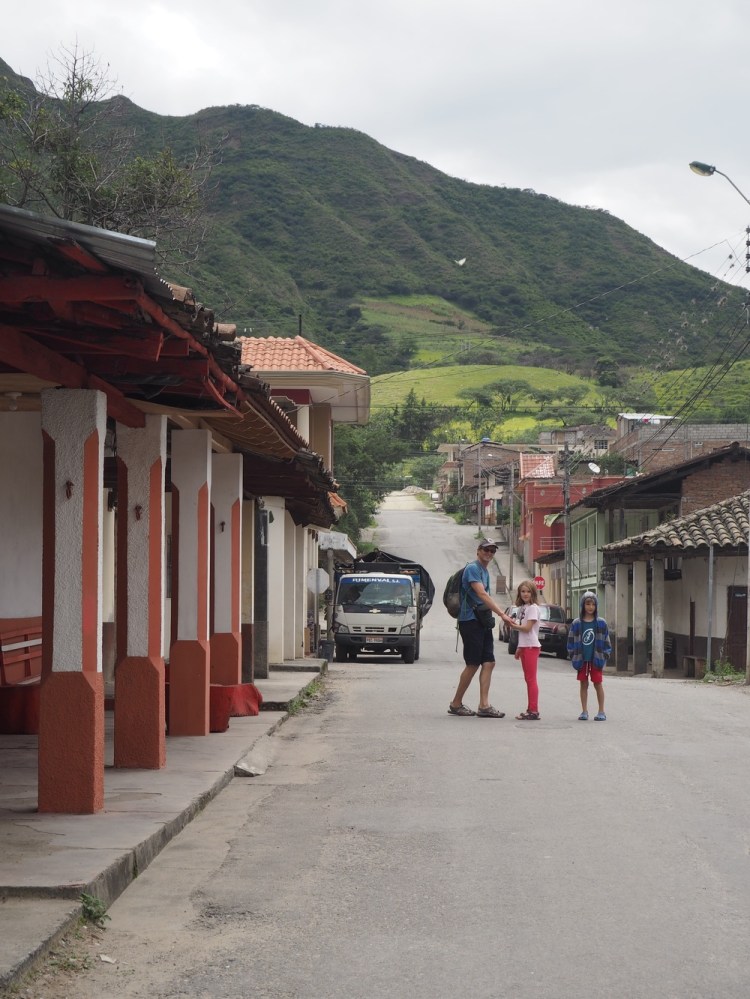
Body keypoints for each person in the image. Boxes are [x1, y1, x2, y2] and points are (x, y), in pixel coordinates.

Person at [448, 539, 507, 718]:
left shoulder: (484, 570)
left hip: (482, 620)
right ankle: (456, 703)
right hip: (470, 621)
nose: (489, 553)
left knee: (489, 661)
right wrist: (502, 614)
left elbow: (484, 596)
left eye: (492, 551)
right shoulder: (472, 569)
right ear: (478, 551)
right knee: (473, 663)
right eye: (486, 550)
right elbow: (481, 594)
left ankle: (484, 705)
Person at [567, 590, 611, 721]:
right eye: (587, 604)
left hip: (596, 659)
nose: (590, 607)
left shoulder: (601, 623)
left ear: (596, 606)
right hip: (581, 659)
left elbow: (607, 641)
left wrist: (604, 656)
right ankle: (584, 711)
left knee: (598, 684)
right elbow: (570, 642)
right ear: (582, 605)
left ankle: (601, 711)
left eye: (593, 604)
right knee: (583, 684)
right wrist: (573, 655)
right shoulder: (576, 623)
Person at [500, 580, 541, 720]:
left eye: (528, 591)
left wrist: (512, 625)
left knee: (531, 679)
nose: (525, 594)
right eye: (523, 591)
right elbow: (522, 631)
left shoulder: (533, 608)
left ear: (533, 593)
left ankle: (534, 710)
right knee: (528, 679)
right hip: (525, 646)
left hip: (531, 646)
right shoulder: (523, 608)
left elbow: (527, 629)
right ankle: (530, 709)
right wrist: (519, 647)